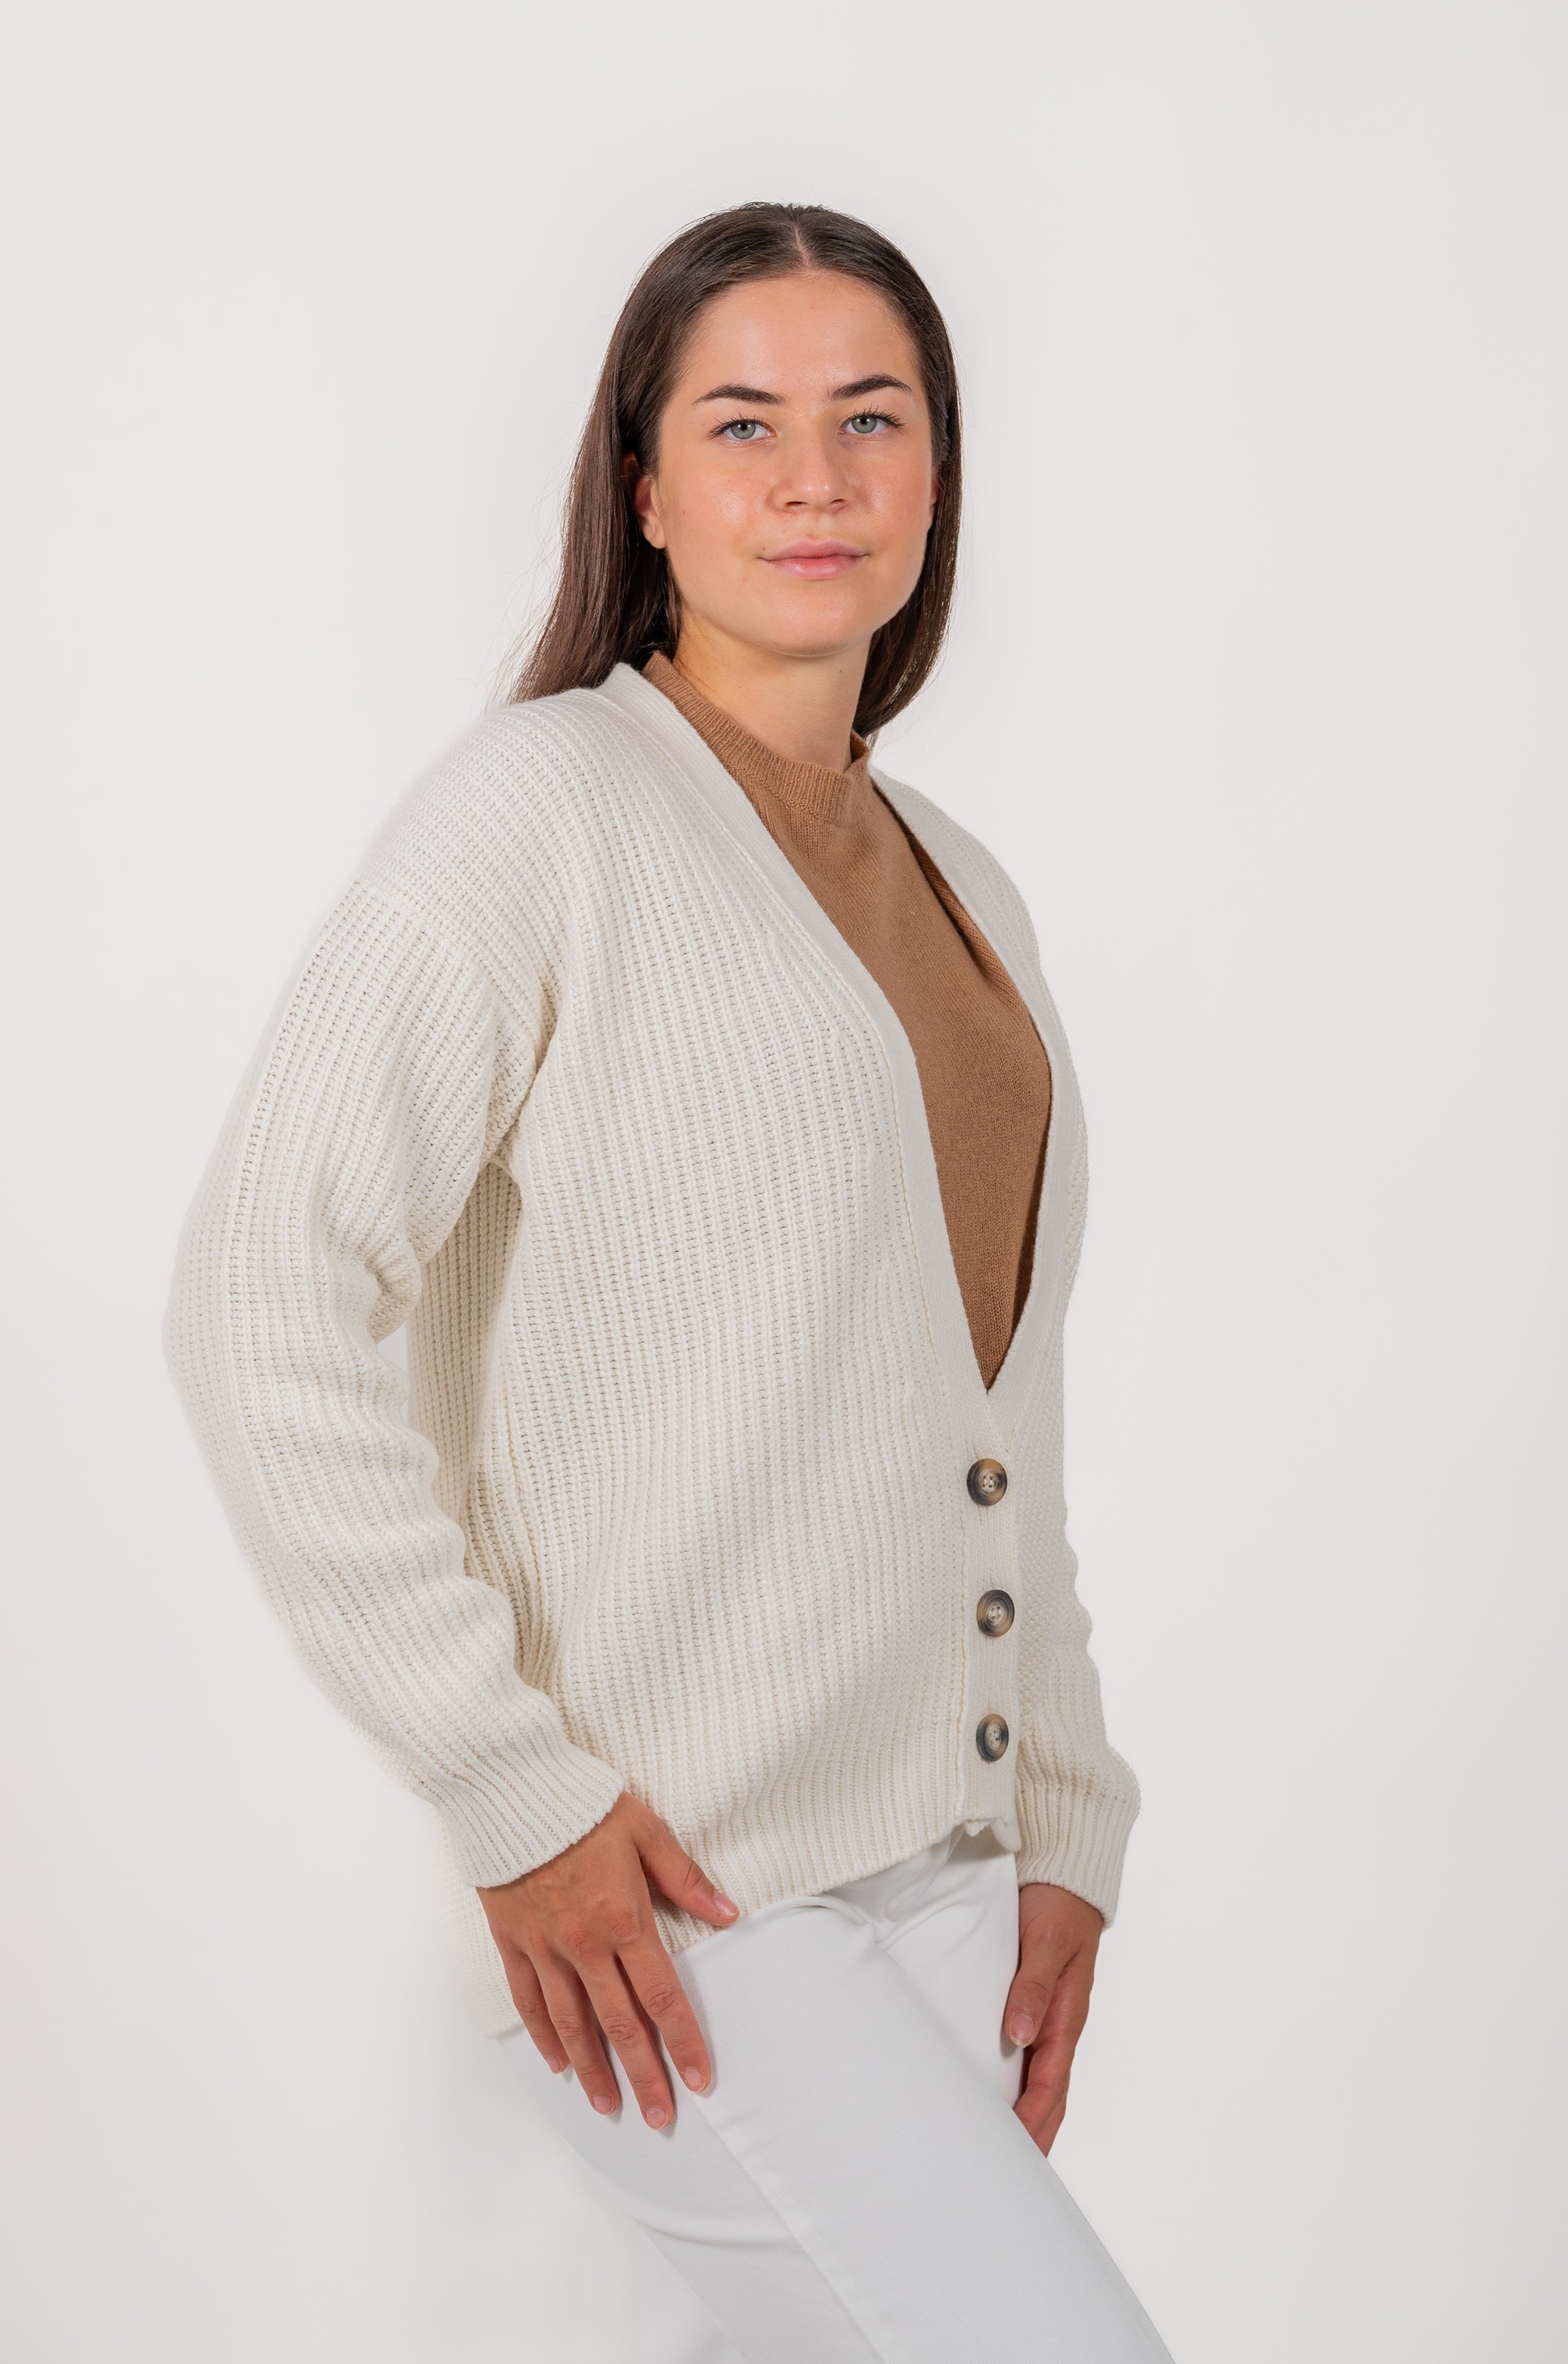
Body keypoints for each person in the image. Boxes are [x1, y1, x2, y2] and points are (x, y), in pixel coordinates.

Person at [163, 200, 1176, 2362]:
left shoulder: (962, 887)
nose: (814, 478)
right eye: (741, 423)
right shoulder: (536, 815)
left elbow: (1000, 1408)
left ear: (936, 475)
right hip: (688, 1894)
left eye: (870, 418)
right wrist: (510, 1790)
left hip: (947, 1869)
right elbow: (259, 1300)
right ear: (641, 487)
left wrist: (1063, 1810)